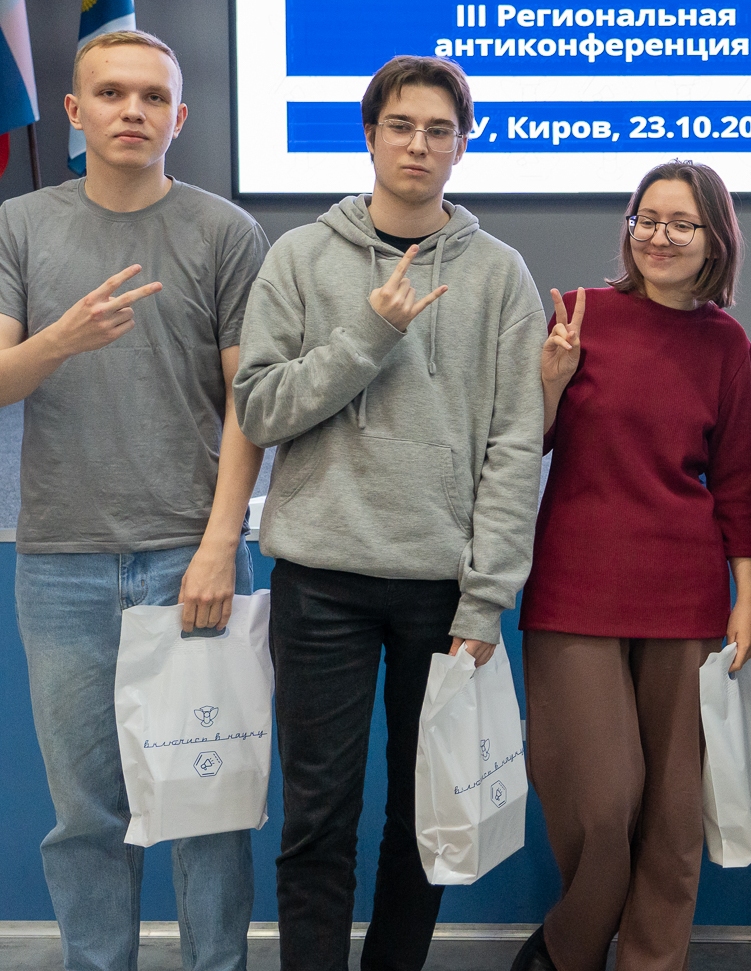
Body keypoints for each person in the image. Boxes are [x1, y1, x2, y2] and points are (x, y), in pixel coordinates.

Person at [0, 29, 268, 971]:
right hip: (63, 563)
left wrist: (220, 545)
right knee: (87, 815)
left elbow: (249, 407)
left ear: (181, 116)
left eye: (152, 96)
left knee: (210, 807)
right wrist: (61, 338)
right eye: (112, 93)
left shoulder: (225, 232)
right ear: (74, 111)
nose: (133, 110)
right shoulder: (22, 225)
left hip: (190, 557)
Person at [231, 55, 544, 971]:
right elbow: (260, 409)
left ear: (462, 145)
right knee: (317, 817)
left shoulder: (500, 275)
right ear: (370, 135)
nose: (418, 144)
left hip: (442, 592)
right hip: (320, 578)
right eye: (401, 126)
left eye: (439, 130)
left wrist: (486, 598)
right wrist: (370, 333)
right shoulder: (300, 257)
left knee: (424, 817)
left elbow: (514, 446)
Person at [513, 160, 751, 971]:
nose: (660, 237)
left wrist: (746, 594)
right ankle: (566, 951)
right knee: (603, 802)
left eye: (681, 224)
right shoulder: (580, 314)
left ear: (714, 239)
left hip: (685, 594)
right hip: (575, 587)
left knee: (674, 818)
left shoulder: (725, 342)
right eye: (647, 220)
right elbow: (521, 446)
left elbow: (735, 480)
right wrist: (549, 384)